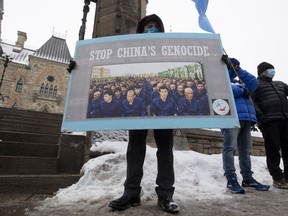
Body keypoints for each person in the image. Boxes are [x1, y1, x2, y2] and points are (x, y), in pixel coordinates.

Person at [108, 14, 180, 213]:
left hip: (163, 106)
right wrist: (79, 67)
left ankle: (166, 194)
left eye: (156, 26)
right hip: (139, 107)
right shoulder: (132, 52)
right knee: (135, 149)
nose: (152, 29)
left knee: (165, 150)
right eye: (148, 26)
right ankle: (131, 193)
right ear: (141, 30)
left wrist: (218, 63)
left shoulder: (168, 50)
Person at [221, 55, 270, 194]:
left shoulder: (239, 80)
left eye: (234, 66)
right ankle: (231, 179)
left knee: (245, 150)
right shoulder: (222, 80)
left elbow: (254, 83)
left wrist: (239, 69)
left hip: (246, 118)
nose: (232, 69)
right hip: (230, 118)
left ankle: (248, 178)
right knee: (229, 148)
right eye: (231, 66)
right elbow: (226, 91)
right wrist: (243, 91)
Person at [251, 62, 288, 189]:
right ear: (262, 71)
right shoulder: (255, 85)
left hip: (285, 119)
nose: (272, 71)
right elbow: (252, 101)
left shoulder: (280, 84)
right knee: (273, 149)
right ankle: (277, 177)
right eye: (269, 69)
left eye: (273, 69)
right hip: (269, 121)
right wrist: (261, 117)